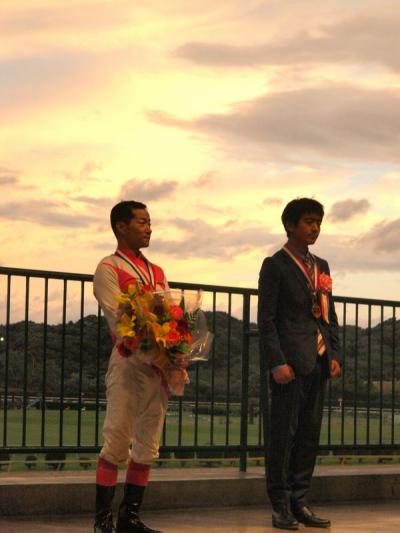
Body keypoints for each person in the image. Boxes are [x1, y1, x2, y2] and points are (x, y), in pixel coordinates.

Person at [258, 198, 341, 530]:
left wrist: (334, 354)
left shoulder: (322, 265)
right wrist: (277, 361)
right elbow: (266, 320)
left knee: (309, 435)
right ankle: (279, 505)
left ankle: (300, 501)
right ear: (290, 225)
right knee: (283, 435)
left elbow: (329, 314)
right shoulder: (275, 265)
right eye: (308, 221)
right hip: (290, 364)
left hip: (318, 359)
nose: (315, 227)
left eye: (318, 222)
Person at [93, 200, 168, 533]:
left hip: (157, 367)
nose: (149, 228)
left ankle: (130, 518)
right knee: (117, 439)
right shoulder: (108, 268)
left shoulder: (158, 272)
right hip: (127, 362)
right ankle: (103, 520)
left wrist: (175, 350)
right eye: (142, 222)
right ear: (121, 227)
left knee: (148, 444)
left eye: (150, 222)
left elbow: (169, 315)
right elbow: (117, 316)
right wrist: (153, 344)